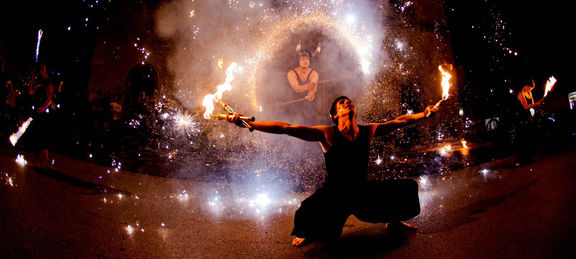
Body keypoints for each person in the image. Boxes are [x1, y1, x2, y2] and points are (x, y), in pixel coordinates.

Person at [228, 96, 439, 246]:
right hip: (335, 195)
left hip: (362, 192)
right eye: (341, 103)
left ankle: (392, 221)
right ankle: (311, 231)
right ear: (335, 114)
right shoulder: (327, 134)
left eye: (348, 101)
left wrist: (424, 113)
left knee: (406, 188)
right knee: (306, 216)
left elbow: (398, 122)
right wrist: (250, 123)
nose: (347, 102)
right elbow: (286, 128)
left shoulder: (368, 130)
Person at [514, 80, 543, 167]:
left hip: (529, 118)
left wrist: (538, 104)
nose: (531, 89)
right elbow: (526, 107)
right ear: (525, 86)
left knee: (530, 138)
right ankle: (518, 160)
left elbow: (532, 106)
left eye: (532, 88)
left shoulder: (530, 94)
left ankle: (529, 158)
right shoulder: (520, 94)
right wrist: (536, 104)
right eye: (530, 88)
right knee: (521, 140)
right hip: (521, 118)